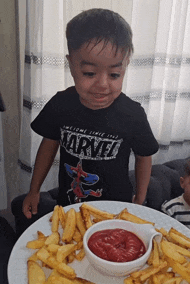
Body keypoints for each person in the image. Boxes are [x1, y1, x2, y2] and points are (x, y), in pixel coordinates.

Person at [22, 9, 159, 219]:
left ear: (125, 66)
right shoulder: (61, 103)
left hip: (115, 209)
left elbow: (144, 157)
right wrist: (34, 191)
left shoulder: (132, 114)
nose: (102, 85)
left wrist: (140, 199)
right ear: (71, 64)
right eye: (89, 73)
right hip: (70, 207)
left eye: (114, 74)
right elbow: (49, 145)